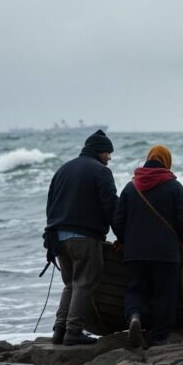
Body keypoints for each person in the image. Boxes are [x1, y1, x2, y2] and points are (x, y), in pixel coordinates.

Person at [44, 129, 118, 346]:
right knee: (85, 283)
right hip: (85, 237)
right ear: (98, 151)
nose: (110, 157)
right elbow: (111, 206)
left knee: (70, 284)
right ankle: (73, 331)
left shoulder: (63, 169)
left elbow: (50, 205)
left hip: (58, 237)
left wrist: (51, 236)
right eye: (107, 153)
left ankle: (59, 329)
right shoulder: (101, 172)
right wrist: (122, 235)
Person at [114, 145, 183, 348]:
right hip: (166, 252)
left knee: (135, 289)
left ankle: (134, 316)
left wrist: (125, 241)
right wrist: (176, 241)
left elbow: (118, 220)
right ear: (167, 161)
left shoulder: (131, 187)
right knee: (165, 294)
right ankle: (159, 337)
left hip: (134, 252)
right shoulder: (174, 186)